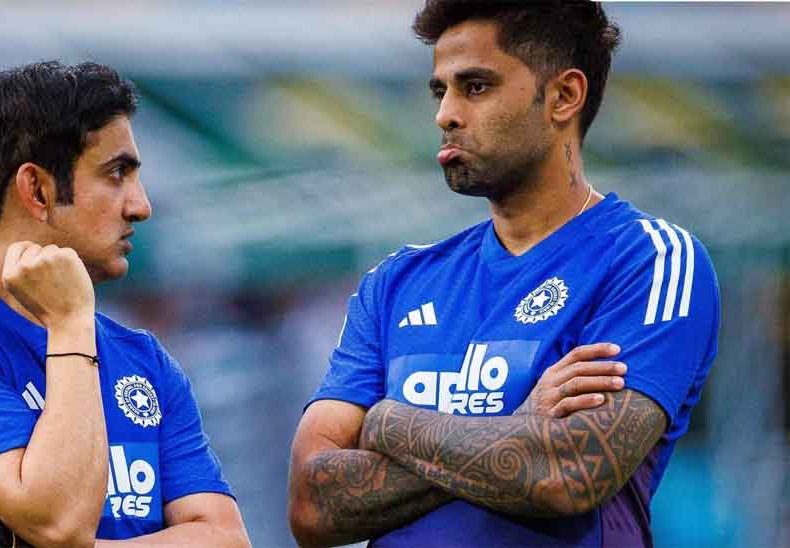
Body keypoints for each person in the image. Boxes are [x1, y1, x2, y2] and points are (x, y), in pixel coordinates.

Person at [288, 2, 719, 547]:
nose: (445, 114)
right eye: (440, 91)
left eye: (475, 87)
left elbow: (569, 472)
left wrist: (387, 422)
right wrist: (520, 425)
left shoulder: (649, 260)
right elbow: (312, 505)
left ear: (564, 96)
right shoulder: (396, 282)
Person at [0, 61, 250, 547]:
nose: (141, 206)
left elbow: (225, 538)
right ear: (38, 190)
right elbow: (60, 523)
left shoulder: (144, 359)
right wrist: (69, 326)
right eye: (116, 174)